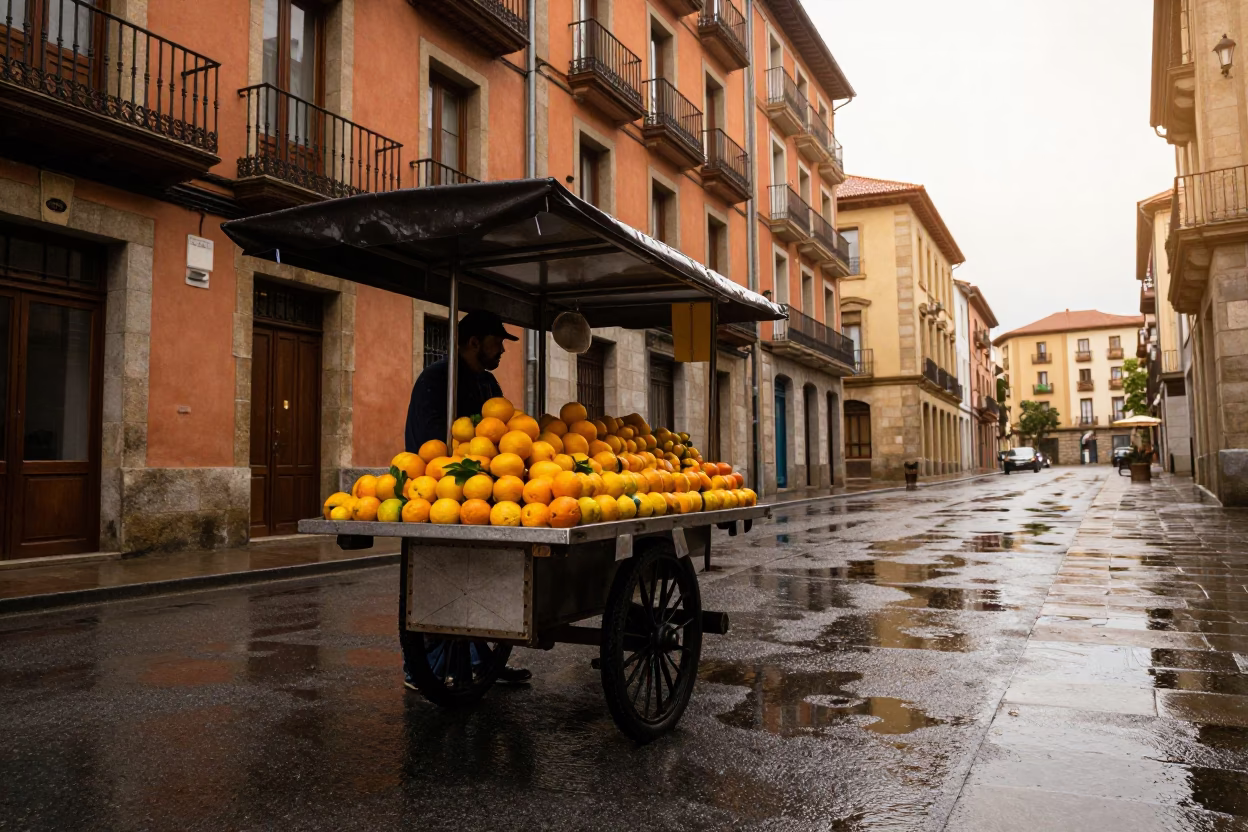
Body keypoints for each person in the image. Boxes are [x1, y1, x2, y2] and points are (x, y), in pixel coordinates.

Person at [401, 310, 532, 689]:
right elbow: (428, 444)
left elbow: (505, 434)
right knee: (438, 583)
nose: (502, 351)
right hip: (438, 497)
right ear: (474, 342)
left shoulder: (489, 384)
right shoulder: (437, 379)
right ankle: (421, 668)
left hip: (484, 500)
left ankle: (482, 660)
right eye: (497, 343)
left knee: (481, 581)